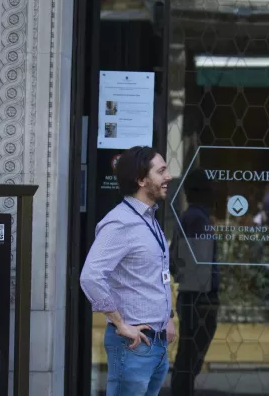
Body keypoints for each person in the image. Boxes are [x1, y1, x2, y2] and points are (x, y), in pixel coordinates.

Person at [80, 146, 176, 396]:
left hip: (157, 342)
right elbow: (90, 276)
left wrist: (168, 318)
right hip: (132, 344)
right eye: (162, 171)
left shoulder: (150, 219)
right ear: (141, 179)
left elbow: (155, 276)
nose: (169, 176)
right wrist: (120, 323)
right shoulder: (120, 222)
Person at [170, 169, 220, 395]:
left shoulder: (190, 217)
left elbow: (176, 260)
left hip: (193, 296)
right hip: (199, 298)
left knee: (188, 355)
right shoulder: (197, 219)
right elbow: (198, 265)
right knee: (190, 357)